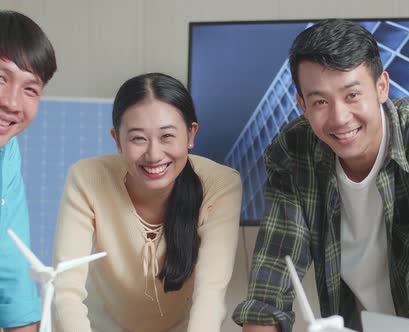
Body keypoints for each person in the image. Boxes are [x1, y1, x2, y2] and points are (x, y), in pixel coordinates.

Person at [233, 19, 409, 332]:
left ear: (381, 87)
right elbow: (271, 283)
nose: (339, 118)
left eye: (352, 95)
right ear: (302, 105)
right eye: (320, 101)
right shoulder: (293, 151)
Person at [51, 73, 242, 332]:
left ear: (191, 134)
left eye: (167, 137)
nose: (153, 155)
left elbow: (211, 292)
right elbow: (66, 289)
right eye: (138, 138)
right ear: (117, 140)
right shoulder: (87, 178)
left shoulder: (220, 184)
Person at [0, 10, 57, 332]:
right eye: (0, 77)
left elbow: (10, 258)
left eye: (30, 89)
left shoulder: (6, 152)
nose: (12, 102)